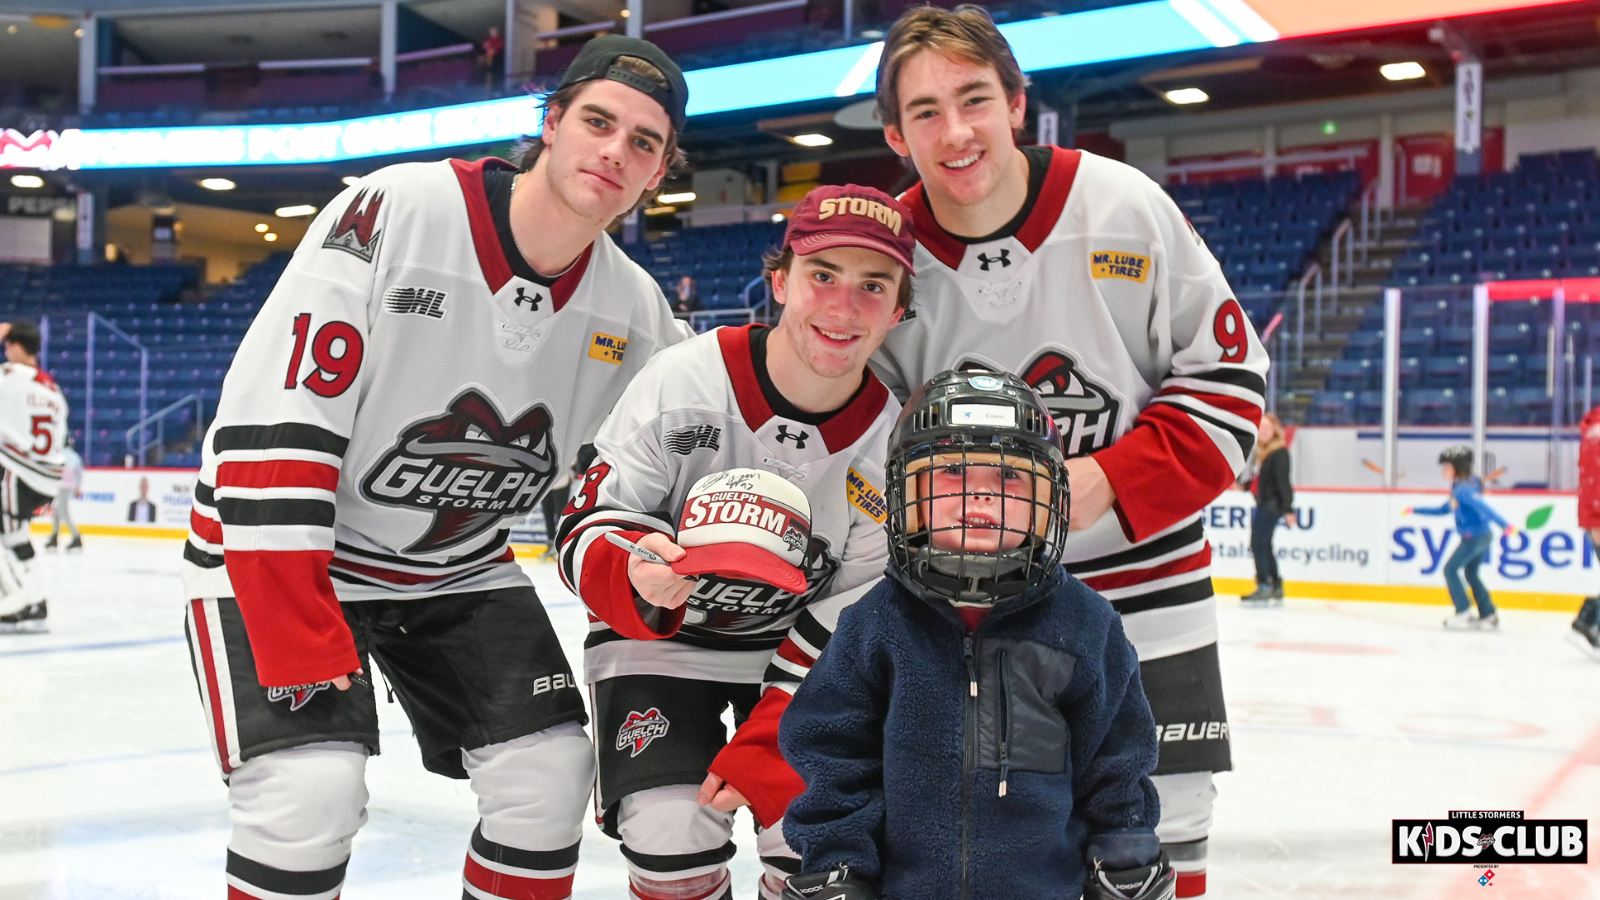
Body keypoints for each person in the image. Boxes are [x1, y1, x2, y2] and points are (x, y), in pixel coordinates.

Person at [179, 35, 691, 900]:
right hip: (289, 548)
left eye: (644, 142)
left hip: (454, 568)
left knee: (550, 775)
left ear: (658, 172)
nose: (615, 151)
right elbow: (280, 424)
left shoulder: (637, 313)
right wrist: (302, 635)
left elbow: (616, 494)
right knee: (308, 794)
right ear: (552, 122)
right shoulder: (400, 210)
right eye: (598, 122)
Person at [865, 7, 1268, 894]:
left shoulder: (1123, 206)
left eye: (975, 99)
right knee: (986, 839)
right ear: (896, 135)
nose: (956, 131)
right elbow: (854, 441)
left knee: (1164, 827)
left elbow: (1233, 379)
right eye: (926, 111)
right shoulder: (885, 255)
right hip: (965, 605)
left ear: (1017, 104)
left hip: (1147, 578)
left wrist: (1112, 480)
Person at [557, 183, 912, 900]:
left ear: (900, 311)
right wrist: (634, 571)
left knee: (814, 847)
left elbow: (859, 610)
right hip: (659, 640)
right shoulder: (683, 378)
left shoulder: (888, 440)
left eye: (873, 286)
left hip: (799, 657)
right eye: (823, 275)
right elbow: (587, 521)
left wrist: (774, 730)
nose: (844, 307)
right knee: (668, 837)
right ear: (779, 281)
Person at [778, 369, 1174, 900]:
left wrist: (1124, 848)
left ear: (1048, 497)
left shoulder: (1085, 625)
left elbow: (1116, 757)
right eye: (951, 473)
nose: (981, 494)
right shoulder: (875, 625)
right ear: (907, 491)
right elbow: (832, 754)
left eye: (1009, 476)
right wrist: (839, 861)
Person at [0, 320, 67, 634]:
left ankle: (16, 599)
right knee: (17, 537)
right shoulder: (52, 388)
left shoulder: (9, 376)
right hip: (47, 475)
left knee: (11, 537)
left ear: (15, 347)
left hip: (17, 471)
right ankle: (36, 600)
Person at [1403, 446, 1515, 630]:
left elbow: (1483, 507)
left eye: (1447, 467)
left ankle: (1463, 611)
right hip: (1483, 535)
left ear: (1458, 467)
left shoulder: (1463, 489)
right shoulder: (1467, 484)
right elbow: (1445, 509)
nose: (1443, 471)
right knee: (1471, 573)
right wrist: (1415, 510)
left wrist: (1505, 525)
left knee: (1450, 570)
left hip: (1474, 538)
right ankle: (1488, 613)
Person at [1241, 413, 1292, 605]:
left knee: (1258, 543)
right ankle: (1275, 584)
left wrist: (1288, 508)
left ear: (1275, 431)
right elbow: (1261, 481)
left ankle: (1264, 584)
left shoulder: (1279, 453)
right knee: (1264, 544)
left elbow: (1283, 482)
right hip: (1265, 503)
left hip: (1272, 504)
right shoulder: (1263, 454)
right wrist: (1246, 487)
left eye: (1267, 428)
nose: (1263, 432)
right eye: (1260, 428)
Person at [1574, 406, 1600, 658]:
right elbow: (1593, 484)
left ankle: (1587, 620)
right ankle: (1591, 624)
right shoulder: (1596, 437)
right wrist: (1596, 521)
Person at [46, 435, 83, 551]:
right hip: (68, 487)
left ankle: (76, 537)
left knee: (63, 511)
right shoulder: (75, 456)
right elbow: (79, 474)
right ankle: (54, 536)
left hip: (62, 486)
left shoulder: (59, 454)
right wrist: (77, 487)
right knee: (57, 511)